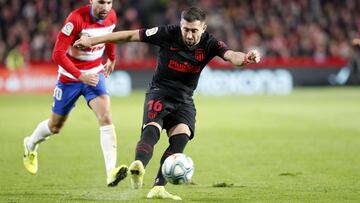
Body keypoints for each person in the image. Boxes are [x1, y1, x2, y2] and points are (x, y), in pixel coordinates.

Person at [75, 7, 260, 200]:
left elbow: (231, 56)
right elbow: (130, 36)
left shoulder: (210, 43)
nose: (188, 34)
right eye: (185, 29)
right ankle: (139, 164)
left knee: (181, 137)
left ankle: (158, 187)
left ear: (203, 28)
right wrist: (91, 41)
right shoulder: (167, 33)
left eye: (194, 31)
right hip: (159, 93)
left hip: (184, 99)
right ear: (180, 25)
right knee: (152, 129)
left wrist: (246, 58)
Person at [23, 0, 128, 187]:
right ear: (91, 1)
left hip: (95, 75)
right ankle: (30, 145)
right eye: (101, 2)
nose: (105, 7)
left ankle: (111, 172)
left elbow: (108, 37)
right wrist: (80, 76)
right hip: (69, 79)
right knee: (55, 127)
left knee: (105, 116)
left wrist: (111, 58)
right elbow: (57, 54)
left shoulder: (111, 16)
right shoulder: (76, 19)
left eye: (109, 2)